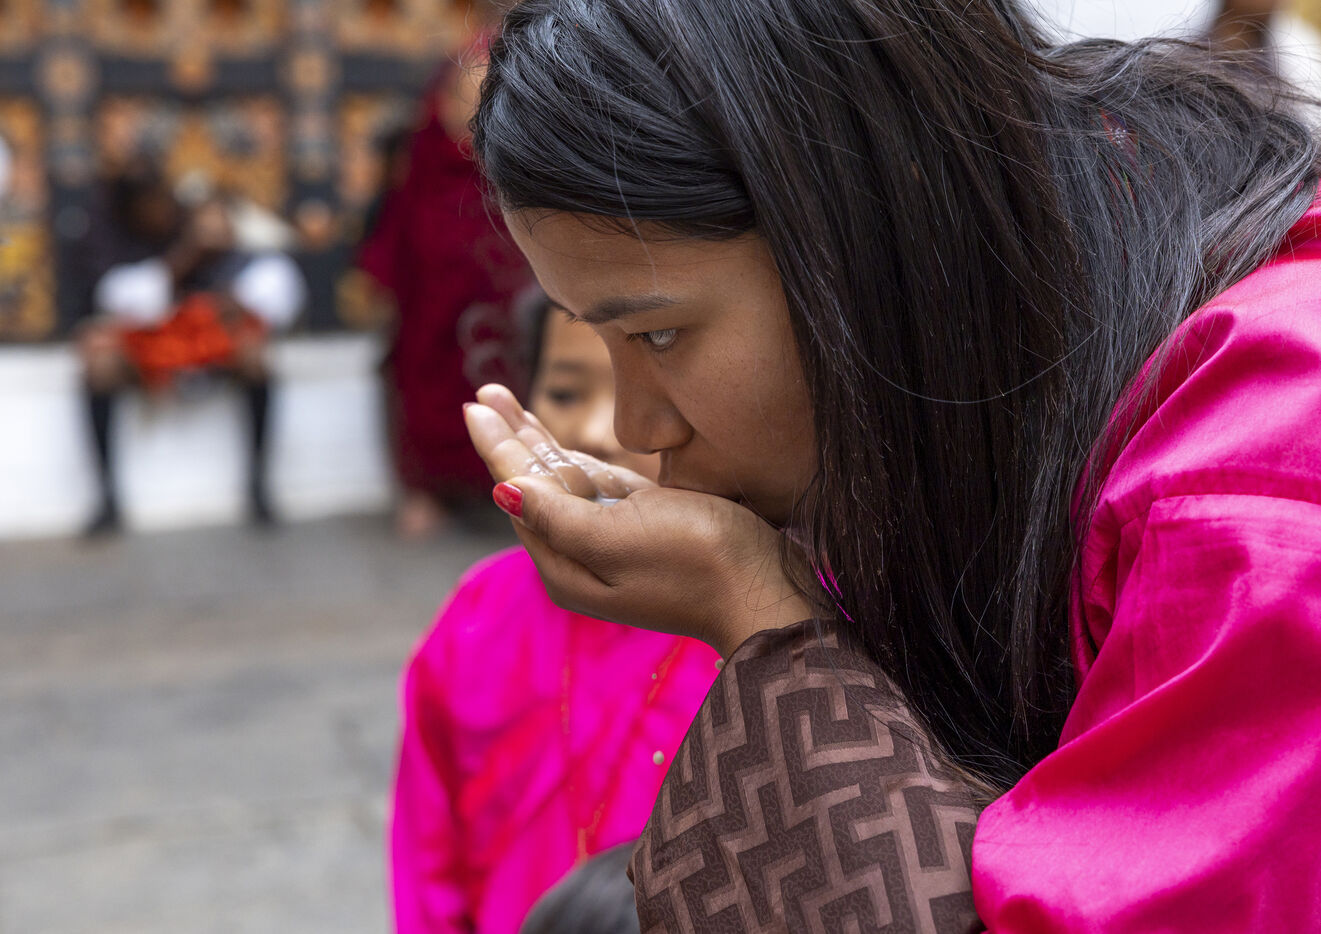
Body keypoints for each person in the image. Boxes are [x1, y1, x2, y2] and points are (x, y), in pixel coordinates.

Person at [461, 0, 1321, 930]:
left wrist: (764, 621)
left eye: (658, 333)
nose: (639, 427)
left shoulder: (1258, 466)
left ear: (863, 231)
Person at [390, 295, 720, 934]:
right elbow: (428, 866)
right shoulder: (481, 615)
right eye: (567, 394)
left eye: (652, 397)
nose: (597, 432)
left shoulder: (773, 613)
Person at [357, 0, 531, 540]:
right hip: (449, 239)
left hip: (487, 234)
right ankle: (426, 489)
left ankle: (502, 478)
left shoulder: (496, 53)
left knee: (500, 357)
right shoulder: (477, 58)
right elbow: (469, 141)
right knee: (433, 359)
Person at [78, 162, 304, 534]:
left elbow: (277, 293)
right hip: (154, 347)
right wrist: (186, 256)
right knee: (99, 364)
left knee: (255, 357)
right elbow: (122, 300)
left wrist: (233, 296)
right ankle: (107, 498)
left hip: (212, 344)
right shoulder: (125, 241)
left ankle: (260, 486)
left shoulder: (239, 247)